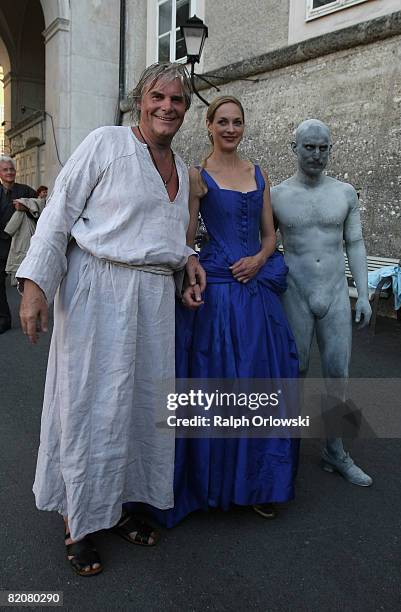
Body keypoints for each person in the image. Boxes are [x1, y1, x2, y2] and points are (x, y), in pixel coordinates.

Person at [17, 62, 205, 576]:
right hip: (97, 290)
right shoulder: (105, 144)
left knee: (137, 408)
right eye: (158, 97)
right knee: (88, 406)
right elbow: (58, 214)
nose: (168, 107)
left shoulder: (180, 165)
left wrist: (186, 261)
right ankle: (78, 519)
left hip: (152, 301)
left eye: (178, 101)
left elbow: (164, 235)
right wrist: (36, 285)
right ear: (138, 101)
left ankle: (116, 506)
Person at [151, 95, 300, 528]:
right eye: (223, 122)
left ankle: (259, 483)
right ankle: (212, 483)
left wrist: (258, 259)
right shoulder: (198, 176)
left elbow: (270, 235)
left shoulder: (259, 172)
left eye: (237, 122)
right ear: (210, 126)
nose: (231, 129)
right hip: (218, 290)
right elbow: (186, 234)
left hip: (257, 289)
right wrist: (189, 269)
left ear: (243, 127)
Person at [271, 119, 372, 487]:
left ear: (331, 148)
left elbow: (355, 244)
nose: (316, 155)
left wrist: (362, 293)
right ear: (293, 147)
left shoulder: (344, 193)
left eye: (323, 148)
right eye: (309, 147)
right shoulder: (277, 195)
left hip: (333, 293)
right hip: (294, 292)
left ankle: (336, 449)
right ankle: (284, 451)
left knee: (338, 374)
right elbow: (265, 246)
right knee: (293, 373)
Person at [0, 156, 36, 333]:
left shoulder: (26, 190)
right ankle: (4, 320)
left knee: (27, 282)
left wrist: (27, 207)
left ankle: (31, 317)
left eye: (11, 169)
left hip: (22, 245)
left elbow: (43, 208)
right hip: (1, 245)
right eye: (5, 170)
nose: (9, 172)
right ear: (0, 173)